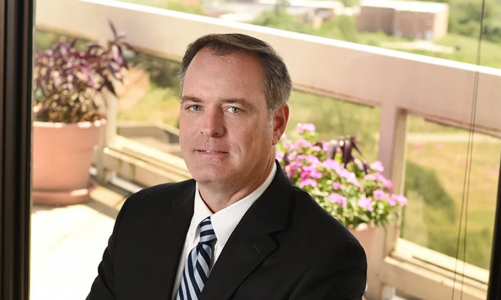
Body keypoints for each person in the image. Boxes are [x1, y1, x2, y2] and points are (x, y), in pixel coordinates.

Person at [86, 33, 367, 300]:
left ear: (277, 123)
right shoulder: (140, 213)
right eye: (195, 107)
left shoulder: (327, 258)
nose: (210, 128)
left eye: (234, 109)